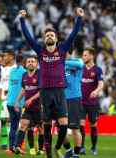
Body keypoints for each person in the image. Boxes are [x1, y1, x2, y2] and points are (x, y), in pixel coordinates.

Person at [19, 7, 83, 158]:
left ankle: (57, 146)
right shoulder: (40, 51)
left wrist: (79, 18)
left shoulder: (62, 49)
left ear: (56, 39)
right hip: (45, 92)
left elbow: (73, 34)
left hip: (60, 91)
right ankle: (49, 154)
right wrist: (22, 20)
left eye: (51, 35)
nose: (49, 36)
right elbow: (28, 37)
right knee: (46, 125)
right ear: (44, 39)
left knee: (63, 125)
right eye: (47, 35)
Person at [14, 55, 44, 156]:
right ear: (26, 64)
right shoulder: (24, 75)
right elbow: (23, 89)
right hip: (27, 108)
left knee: (41, 129)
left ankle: (40, 149)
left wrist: (31, 99)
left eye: (33, 61)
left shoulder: (40, 74)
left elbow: (41, 91)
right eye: (29, 62)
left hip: (39, 107)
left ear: (37, 64)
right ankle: (18, 146)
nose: (30, 63)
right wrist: (17, 101)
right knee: (24, 126)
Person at [80, 47, 104, 155]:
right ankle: (81, 147)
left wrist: (96, 91)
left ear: (91, 56)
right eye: (83, 55)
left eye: (85, 55)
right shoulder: (80, 69)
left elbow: (101, 84)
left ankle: (94, 147)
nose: (83, 57)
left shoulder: (97, 70)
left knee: (93, 125)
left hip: (92, 103)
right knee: (80, 124)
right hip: (80, 102)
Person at [62, 51, 83, 158]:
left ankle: (76, 153)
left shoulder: (76, 61)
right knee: (61, 129)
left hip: (74, 98)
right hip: (61, 99)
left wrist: (62, 62)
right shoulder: (59, 64)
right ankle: (69, 150)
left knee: (75, 128)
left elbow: (81, 64)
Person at [0, 51, 16, 149]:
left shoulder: (16, 69)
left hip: (11, 98)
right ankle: (4, 143)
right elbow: (1, 83)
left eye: (5, 56)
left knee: (10, 120)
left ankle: (12, 144)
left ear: (11, 57)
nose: (4, 58)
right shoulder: (4, 69)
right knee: (3, 120)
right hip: (2, 99)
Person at [5, 54, 26, 152]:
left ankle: (11, 146)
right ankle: (16, 146)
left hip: (9, 102)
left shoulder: (12, 71)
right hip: (18, 103)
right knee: (20, 126)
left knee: (13, 125)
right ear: (23, 62)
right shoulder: (24, 72)